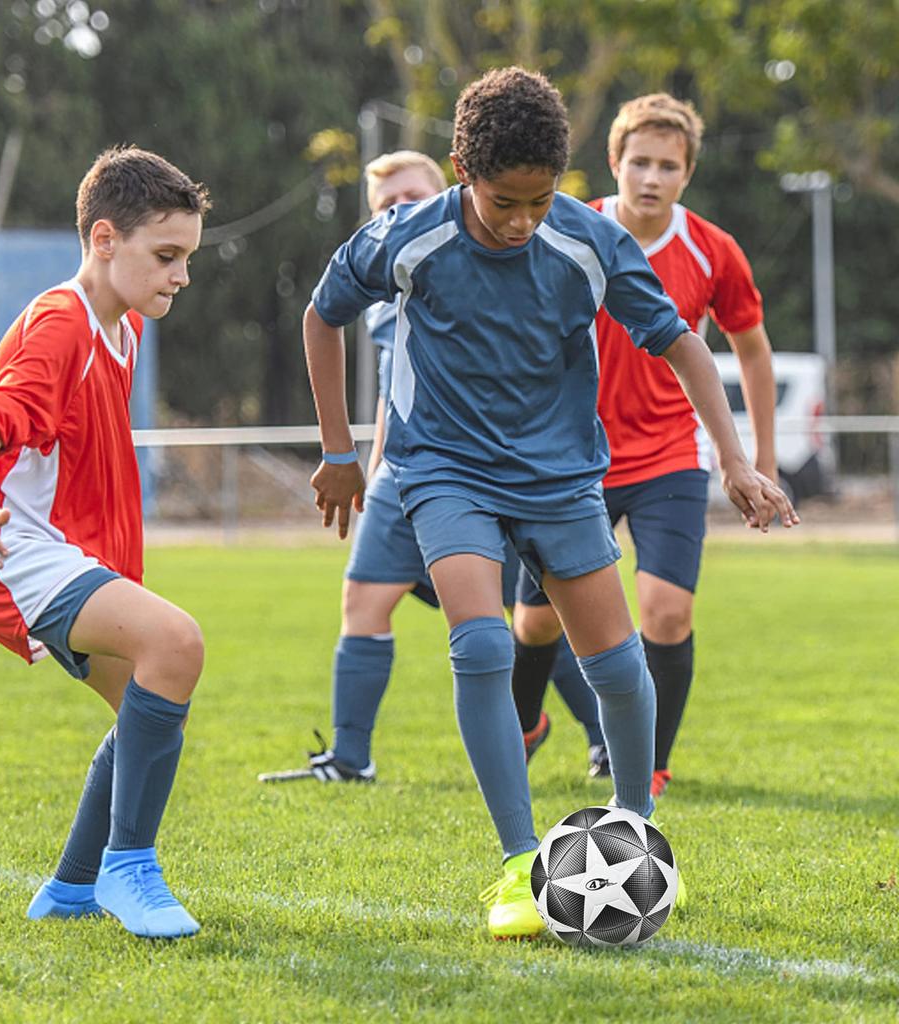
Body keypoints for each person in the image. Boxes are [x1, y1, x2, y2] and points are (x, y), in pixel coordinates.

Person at [301, 67, 797, 939]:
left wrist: (735, 460)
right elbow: (322, 313)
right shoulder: (404, 238)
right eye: (503, 202)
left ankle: (635, 833)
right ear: (462, 169)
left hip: (564, 478)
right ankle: (516, 863)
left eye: (540, 200)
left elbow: (682, 344)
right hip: (444, 469)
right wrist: (339, 449)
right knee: (485, 641)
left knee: (616, 666)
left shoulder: (590, 242)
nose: (523, 220)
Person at [259, 151, 605, 784]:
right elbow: (375, 367)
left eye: (409, 196)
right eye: (384, 206)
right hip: (401, 470)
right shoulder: (384, 279)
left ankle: (603, 736)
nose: (397, 211)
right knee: (364, 597)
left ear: (450, 187)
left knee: (521, 620)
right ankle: (349, 758)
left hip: (483, 470)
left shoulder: (473, 260)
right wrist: (357, 460)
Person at [0, 145, 210, 940]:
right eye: (166, 256)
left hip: (67, 553)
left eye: (187, 258)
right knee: (178, 643)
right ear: (104, 239)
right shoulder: (59, 324)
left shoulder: (121, 328)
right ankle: (127, 869)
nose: (181, 276)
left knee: (142, 704)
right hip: (17, 554)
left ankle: (68, 888)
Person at [510, 93, 779, 800]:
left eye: (668, 165)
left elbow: (751, 352)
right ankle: (528, 723)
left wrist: (756, 459)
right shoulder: (564, 227)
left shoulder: (712, 251)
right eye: (640, 163)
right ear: (614, 162)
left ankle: (648, 767)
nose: (651, 178)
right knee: (535, 622)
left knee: (666, 611)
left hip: (669, 459)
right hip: (568, 459)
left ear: (687, 174)